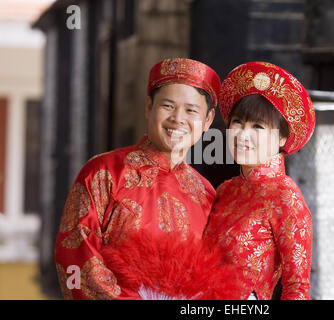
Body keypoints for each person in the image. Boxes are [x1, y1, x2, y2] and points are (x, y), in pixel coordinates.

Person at [54, 58, 220, 299]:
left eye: (191, 110)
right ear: (148, 107)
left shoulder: (206, 193)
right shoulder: (103, 172)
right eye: (168, 106)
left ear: (207, 120)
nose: (178, 118)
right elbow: (75, 254)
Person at [203, 61, 316, 300]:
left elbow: (297, 287)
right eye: (237, 123)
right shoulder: (225, 190)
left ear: (282, 137)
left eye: (258, 127)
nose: (243, 136)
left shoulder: (285, 196)